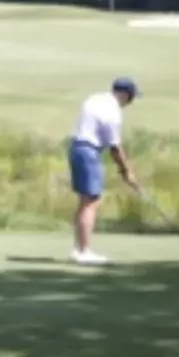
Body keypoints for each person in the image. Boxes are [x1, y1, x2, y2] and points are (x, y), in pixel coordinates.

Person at [67, 77, 140, 265]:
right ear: (124, 95)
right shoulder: (113, 112)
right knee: (91, 201)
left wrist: (124, 170)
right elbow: (115, 147)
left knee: (85, 201)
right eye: (131, 97)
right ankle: (84, 251)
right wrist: (126, 171)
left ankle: (78, 248)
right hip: (89, 151)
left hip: (76, 148)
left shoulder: (95, 99)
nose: (130, 102)